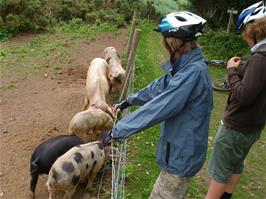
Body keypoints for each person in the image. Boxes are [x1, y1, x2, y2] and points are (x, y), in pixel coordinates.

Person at [103, 11, 213, 199]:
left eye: (165, 38)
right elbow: (159, 87)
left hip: (182, 154)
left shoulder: (191, 73)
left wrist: (117, 131)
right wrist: (129, 101)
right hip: (181, 149)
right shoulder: (186, 66)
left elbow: (161, 105)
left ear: (172, 42)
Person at [206, 2, 266, 199]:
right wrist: (243, 68)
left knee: (220, 170)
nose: (245, 39)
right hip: (253, 125)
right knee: (236, 163)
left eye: (245, 33)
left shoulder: (260, 58)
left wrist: (231, 71)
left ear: (255, 29)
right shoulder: (259, 58)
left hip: (237, 126)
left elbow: (245, 95)